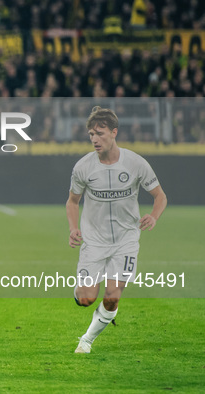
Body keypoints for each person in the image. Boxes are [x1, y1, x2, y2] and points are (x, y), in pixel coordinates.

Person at [66, 106, 167, 354]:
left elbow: (160, 196)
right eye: (91, 134)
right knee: (87, 298)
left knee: (112, 296)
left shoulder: (136, 163)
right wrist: (73, 228)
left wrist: (153, 216)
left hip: (126, 240)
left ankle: (86, 340)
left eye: (100, 133)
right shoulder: (83, 167)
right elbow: (72, 201)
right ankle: (81, 292)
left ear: (114, 132)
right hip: (94, 241)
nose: (94, 139)